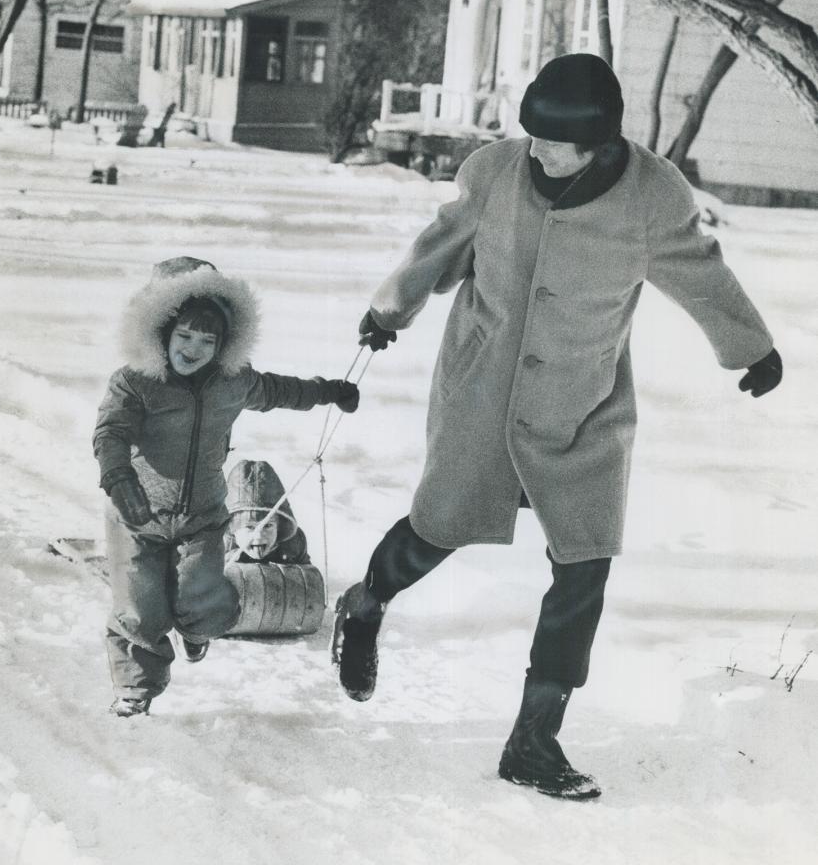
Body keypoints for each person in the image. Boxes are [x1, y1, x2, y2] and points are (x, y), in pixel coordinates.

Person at [331, 53, 781, 800]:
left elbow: (699, 269)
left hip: (585, 398)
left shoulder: (651, 196)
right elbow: (439, 244)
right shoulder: (495, 171)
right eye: (532, 134)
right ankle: (367, 603)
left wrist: (751, 345)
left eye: (553, 142)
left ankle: (533, 743)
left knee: (585, 565)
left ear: (599, 144)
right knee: (440, 524)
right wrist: (388, 312)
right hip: (483, 382)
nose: (535, 148)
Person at [93, 256, 359, 717]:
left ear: (223, 345)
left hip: (202, 518)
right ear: (161, 332)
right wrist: (118, 476)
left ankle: (196, 634)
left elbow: (279, 391)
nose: (193, 349)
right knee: (139, 609)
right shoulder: (136, 383)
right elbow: (110, 433)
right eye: (185, 336)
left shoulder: (232, 383)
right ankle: (136, 690)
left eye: (207, 340)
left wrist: (328, 390)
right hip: (137, 517)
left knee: (202, 601)